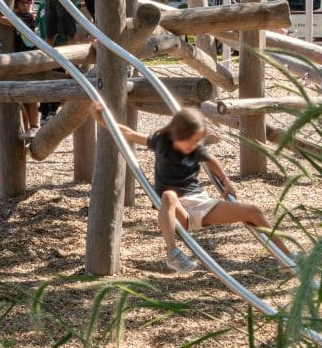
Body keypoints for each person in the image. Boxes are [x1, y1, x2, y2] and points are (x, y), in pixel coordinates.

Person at [102, 104, 269, 274]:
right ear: (177, 135)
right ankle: (173, 253)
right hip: (179, 211)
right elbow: (129, 134)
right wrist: (101, 118)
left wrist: (226, 180)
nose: (194, 146)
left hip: (201, 205)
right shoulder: (161, 142)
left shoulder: (195, 148)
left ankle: (287, 258)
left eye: (197, 141)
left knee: (253, 211)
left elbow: (210, 159)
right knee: (168, 195)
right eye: (191, 141)